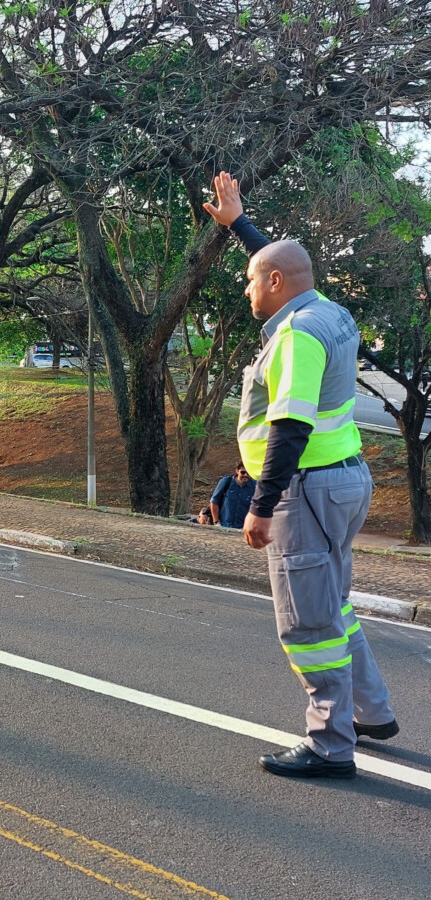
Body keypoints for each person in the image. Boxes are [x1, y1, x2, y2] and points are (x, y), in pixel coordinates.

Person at [204, 171, 398, 779]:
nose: (246, 291)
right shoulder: (329, 311)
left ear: (275, 285)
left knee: (309, 623)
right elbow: (283, 265)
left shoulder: (296, 337)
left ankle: (330, 744)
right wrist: (239, 226)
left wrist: (261, 505)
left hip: (304, 491)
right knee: (334, 605)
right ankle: (373, 713)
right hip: (343, 481)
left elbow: (289, 427)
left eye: (250, 283)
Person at [210, 462, 255, 529]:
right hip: (224, 526)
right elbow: (214, 501)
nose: (246, 475)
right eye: (243, 472)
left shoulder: (255, 486)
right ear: (237, 471)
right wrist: (216, 522)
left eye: (248, 472)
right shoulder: (226, 482)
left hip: (243, 528)